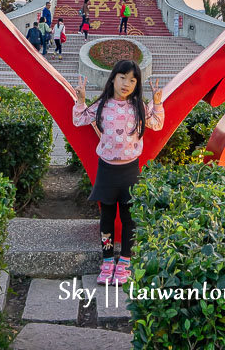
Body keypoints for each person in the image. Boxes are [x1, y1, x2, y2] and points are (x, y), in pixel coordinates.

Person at [73, 61, 164, 285]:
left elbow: (157, 124)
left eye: (133, 80)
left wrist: (157, 104)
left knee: (129, 218)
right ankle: (107, 261)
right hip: (106, 170)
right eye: (123, 77)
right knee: (107, 218)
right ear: (113, 78)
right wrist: (81, 101)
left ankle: (124, 261)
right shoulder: (102, 105)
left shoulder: (138, 107)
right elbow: (79, 119)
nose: (127, 83)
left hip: (130, 171)